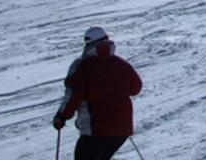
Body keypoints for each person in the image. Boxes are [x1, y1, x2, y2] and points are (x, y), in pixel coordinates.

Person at [53, 26, 142, 160]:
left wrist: (62, 116)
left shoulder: (82, 66)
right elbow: (136, 88)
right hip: (121, 128)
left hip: (96, 128)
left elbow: (73, 95)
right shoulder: (121, 64)